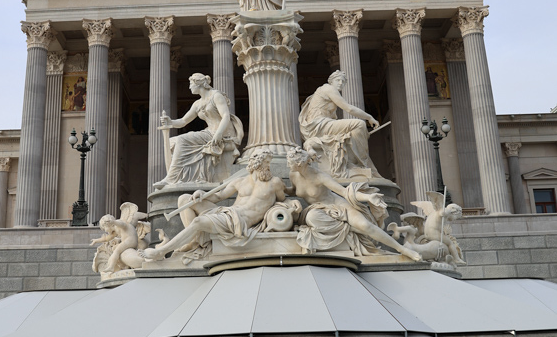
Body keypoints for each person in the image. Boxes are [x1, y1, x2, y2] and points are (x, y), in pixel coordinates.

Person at [143, 148, 284, 259]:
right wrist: (201, 193)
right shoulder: (240, 181)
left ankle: (162, 251)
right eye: (267, 162)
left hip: (239, 222)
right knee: (184, 199)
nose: (268, 166)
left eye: (269, 163)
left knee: (198, 222)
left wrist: (292, 204)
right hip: (228, 213)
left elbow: (283, 200)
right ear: (257, 163)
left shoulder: (275, 183)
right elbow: (218, 196)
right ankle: (195, 241)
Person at [287, 148, 421, 261]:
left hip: (337, 205)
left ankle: (402, 249)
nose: (287, 165)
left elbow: (345, 192)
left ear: (299, 163)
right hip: (317, 209)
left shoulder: (320, 177)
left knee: (365, 225)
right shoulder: (293, 175)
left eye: (289, 162)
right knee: (311, 217)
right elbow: (293, 191)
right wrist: (280, 190)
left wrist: (368, 197)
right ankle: (350, 228)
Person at [155, 73, 243, 188]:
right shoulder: (197, 104)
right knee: (172, 142)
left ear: (198, 84)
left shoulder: (216, 96)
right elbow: (183, 121)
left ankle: (171, 178)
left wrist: (219, 133)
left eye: (191, 84)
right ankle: (181, 178)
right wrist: (170, 122)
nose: (189, 87)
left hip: (222, 133)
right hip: (209, 132)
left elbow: (226, 116)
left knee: (182, 140)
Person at [299, 70, 379, 180]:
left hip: (322, 124)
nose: (340, 83)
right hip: (319, 125)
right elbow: (349, 109)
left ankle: (357, 162)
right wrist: (369, 117)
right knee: (359, 124)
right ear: (331, 81)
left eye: (343, 81)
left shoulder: (324, 90)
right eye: (338, 80)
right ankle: (360, 163)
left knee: (354, 132)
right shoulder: (328, 88)